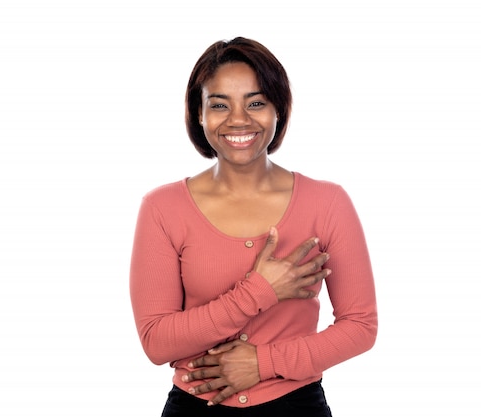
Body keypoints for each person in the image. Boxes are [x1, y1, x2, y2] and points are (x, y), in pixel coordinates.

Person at [130, 37, 377, 416]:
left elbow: (360, 326)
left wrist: (262, 363)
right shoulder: (162, 208)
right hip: (194, 406)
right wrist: (259, 291)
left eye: (256, 102)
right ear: (199, 114)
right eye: (219, 105)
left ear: (279, 108)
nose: (239, 119)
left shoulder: (327, 202)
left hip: (296, 406)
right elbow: (156, 343)